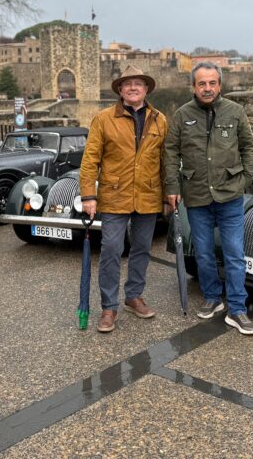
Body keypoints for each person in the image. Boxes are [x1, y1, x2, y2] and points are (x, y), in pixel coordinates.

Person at [164, 61, 253, 335]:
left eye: (212, 83)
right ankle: (212, 298)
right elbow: (171, 154)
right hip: (197, 196)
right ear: (194, 86)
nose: (207, 88)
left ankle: (238, 309)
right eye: (202, 83)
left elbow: (248, 147)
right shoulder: (182, 116)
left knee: (234, 254)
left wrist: (247, 179)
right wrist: (172, 187)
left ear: (220, 85)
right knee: (203, 254)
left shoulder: (235, 111)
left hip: (230, 196)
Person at [79, 65, 169, 333]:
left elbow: (166, 161)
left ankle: (133, 296)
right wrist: (88, 195)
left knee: (142, 248)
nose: (133, 87)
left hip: (148, 194)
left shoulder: (159, 119)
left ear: (146, 89)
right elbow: (90, 159)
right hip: (114, 195)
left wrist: (168, 195)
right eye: (127, 83)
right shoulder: (103, 119)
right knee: (111, 250)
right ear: (120, 90)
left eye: (138, 83)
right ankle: (109, 307)